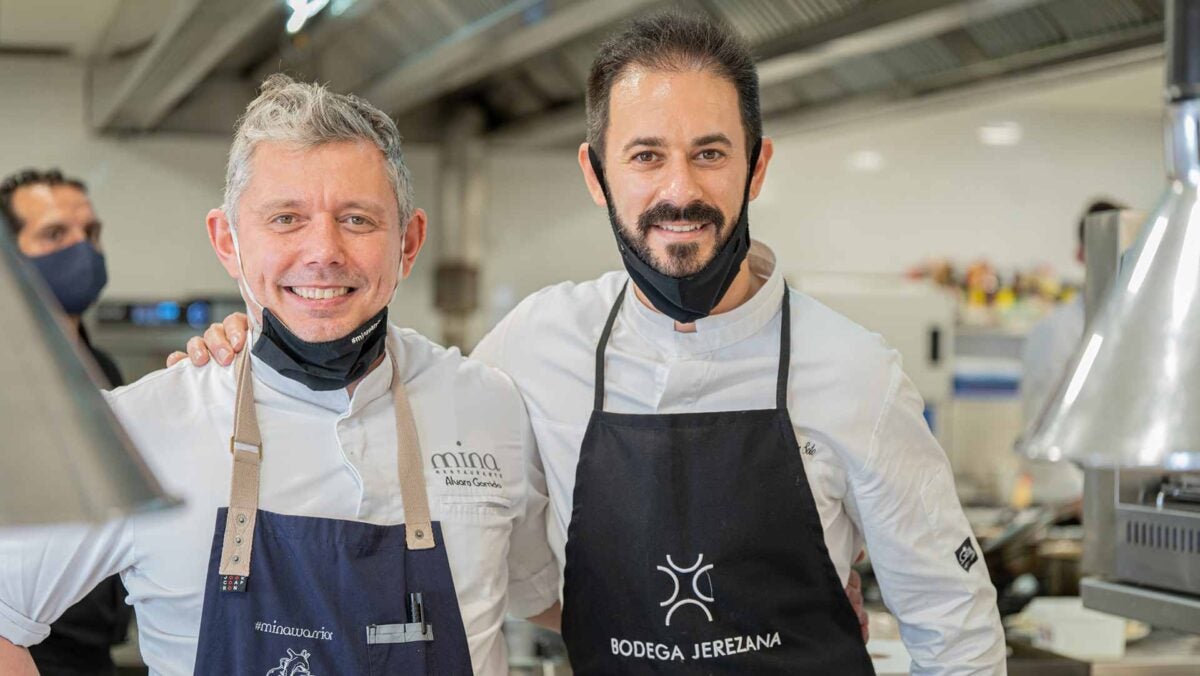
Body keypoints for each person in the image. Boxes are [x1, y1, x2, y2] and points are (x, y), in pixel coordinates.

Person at [183, 13, 1004, 674]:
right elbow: (381, 407)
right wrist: (245, 346)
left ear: (755, 168)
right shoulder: (538, 345)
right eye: (645, 156)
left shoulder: (854, 370)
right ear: (597, 173)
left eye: (710, 154)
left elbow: (954, 627)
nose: (679, 190)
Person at [0, 75, 559, 675]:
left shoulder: (487, 406)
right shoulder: (138, 428)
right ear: (228, 241)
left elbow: (544, 594)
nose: (323, 250)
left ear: (410, 241)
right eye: (286, 218)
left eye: (358, 220)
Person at [0, 169, 131, 676]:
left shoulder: (108, 374)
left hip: (92, 650)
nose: (84, 250)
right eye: (55, 234)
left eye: (90, 234)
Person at [1019, 198, 1126, 505]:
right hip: (1069, 505)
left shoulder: (1140, 331)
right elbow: (1039, 427)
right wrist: (1079, 497)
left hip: (1120, 501)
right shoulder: (1054, 332)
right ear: (1080, 254)